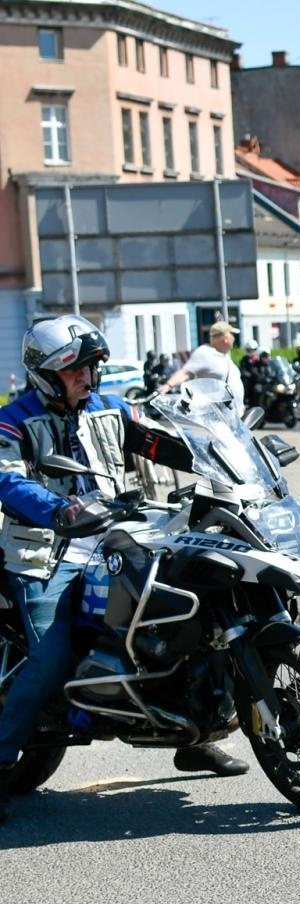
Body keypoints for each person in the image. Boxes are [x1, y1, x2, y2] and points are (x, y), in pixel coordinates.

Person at [0, 316, 247, 823]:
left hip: (119, 537)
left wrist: (225, 459)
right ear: (45, 374)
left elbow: (164, 442)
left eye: (91, 367)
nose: (86, 377)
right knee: (50, 657)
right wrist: (58, 510)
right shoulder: (13, 422)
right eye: (73, 370)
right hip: (46, 552)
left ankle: (193, 731)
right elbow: (8, 481)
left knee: (186, 614)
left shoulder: (110, 409)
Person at [162, 319, 244, 413]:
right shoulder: (205, 352)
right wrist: (168, 385)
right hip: (216, 415)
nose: (233, 338)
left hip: (233, 415)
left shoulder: (225, 356)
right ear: (225, 337)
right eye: (231, 334)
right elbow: (185, 373)